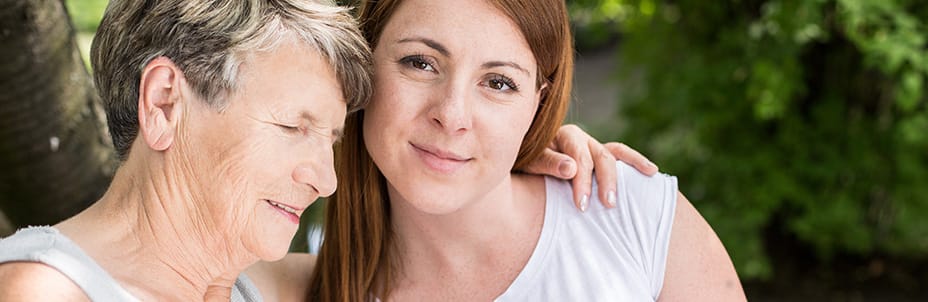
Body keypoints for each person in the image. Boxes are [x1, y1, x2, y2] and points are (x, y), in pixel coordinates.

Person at [0, 0, 655, 300]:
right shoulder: (41, 291)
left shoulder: (267, 288)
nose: (326, 179)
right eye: (293, 127)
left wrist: (518, 152)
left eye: (332, 139)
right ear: (167, 102)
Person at [308, 0, 747, 301]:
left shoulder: (630, 212)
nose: (453, 114)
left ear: (537, 103)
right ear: (361, 63)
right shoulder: (295, 287)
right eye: (420, 63)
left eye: (499, 83)